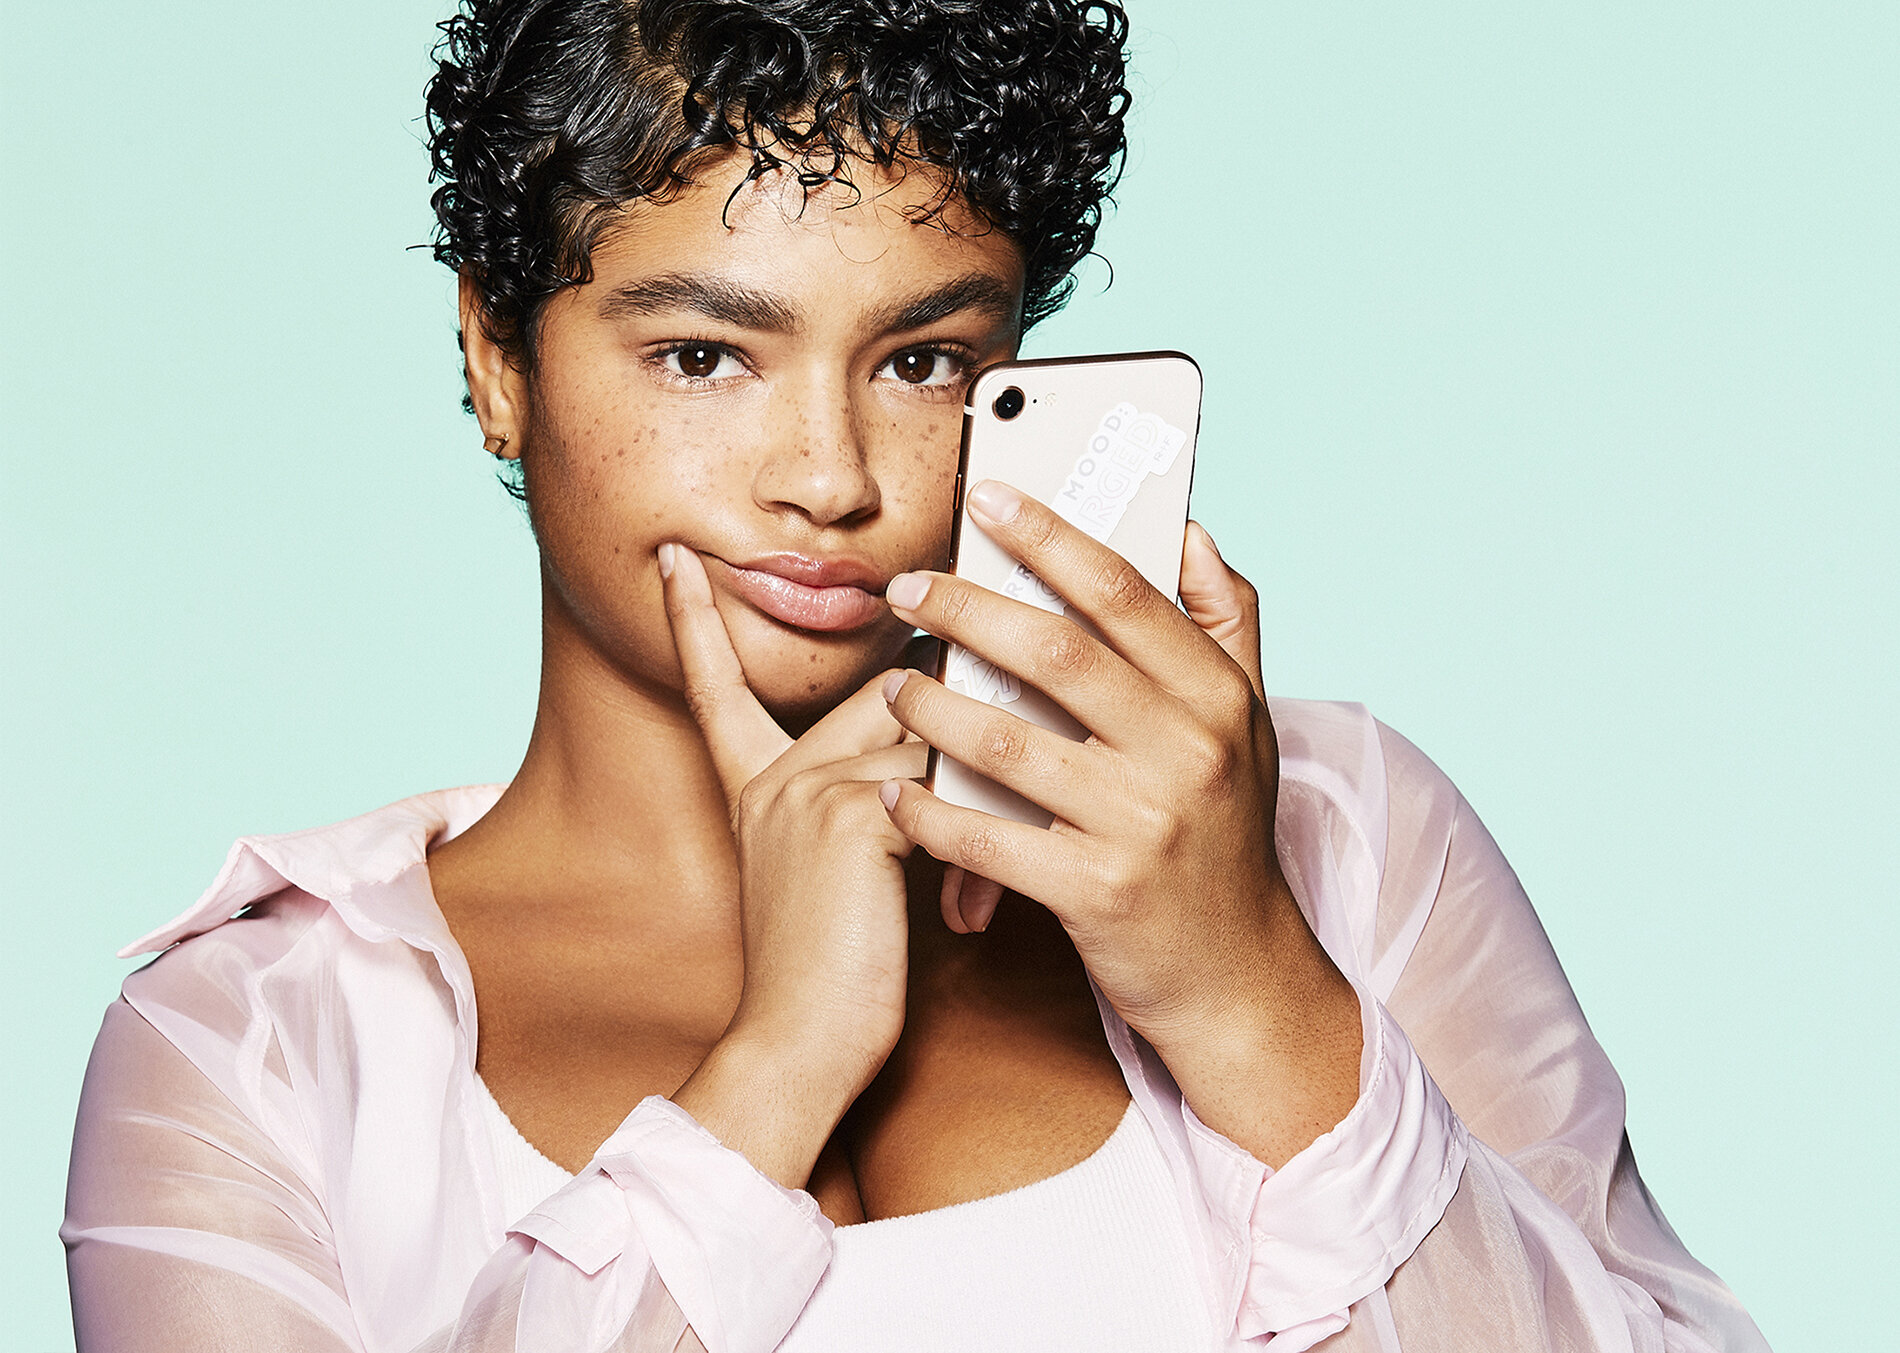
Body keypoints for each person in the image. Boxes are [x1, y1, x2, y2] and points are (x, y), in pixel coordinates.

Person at [61, 1, 1770, 1350]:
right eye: (706, 353)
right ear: (497, 360)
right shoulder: (258, 1046)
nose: (828, 475)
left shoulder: (1335, 840)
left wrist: (1251, 988)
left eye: (926, 358)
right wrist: (772, 1071)